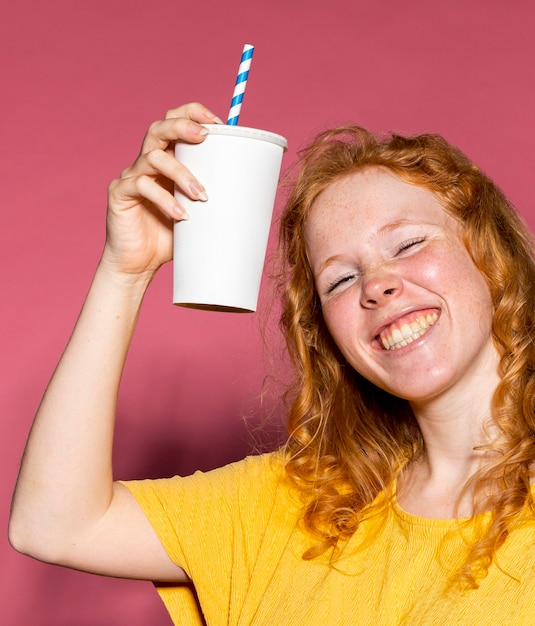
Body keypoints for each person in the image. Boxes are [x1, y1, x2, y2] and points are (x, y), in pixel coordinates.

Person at [9, 102, 535, 625]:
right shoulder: (297, 505)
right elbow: (53, 523)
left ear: (489, 254)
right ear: (328, 335)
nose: (377, 285)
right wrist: (125, 270)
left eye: (409, 243)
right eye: (341, 279)